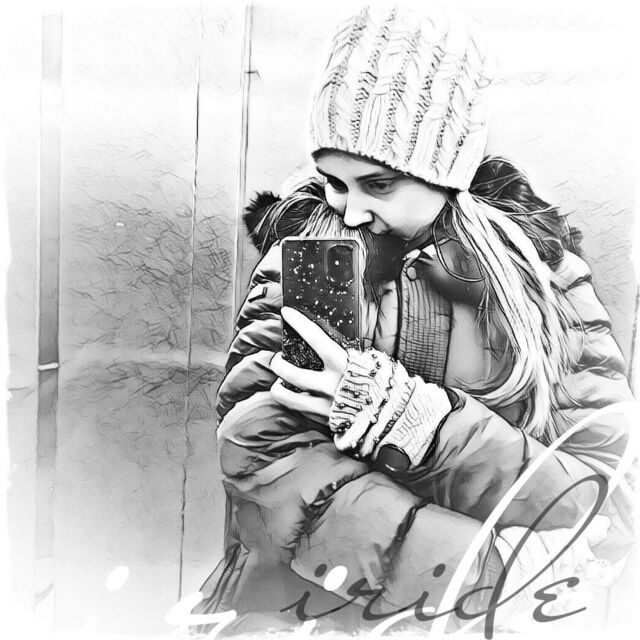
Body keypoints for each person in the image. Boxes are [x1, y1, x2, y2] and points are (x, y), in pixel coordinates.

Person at [193, 5, 635, 636]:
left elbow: (606, 491)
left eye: (377, 185)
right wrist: (485, 574)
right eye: (334, 182)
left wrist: (423, 427)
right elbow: (263, 457)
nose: (348, 211)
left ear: (446, 172)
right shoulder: (313, 260)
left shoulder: (540, 280)